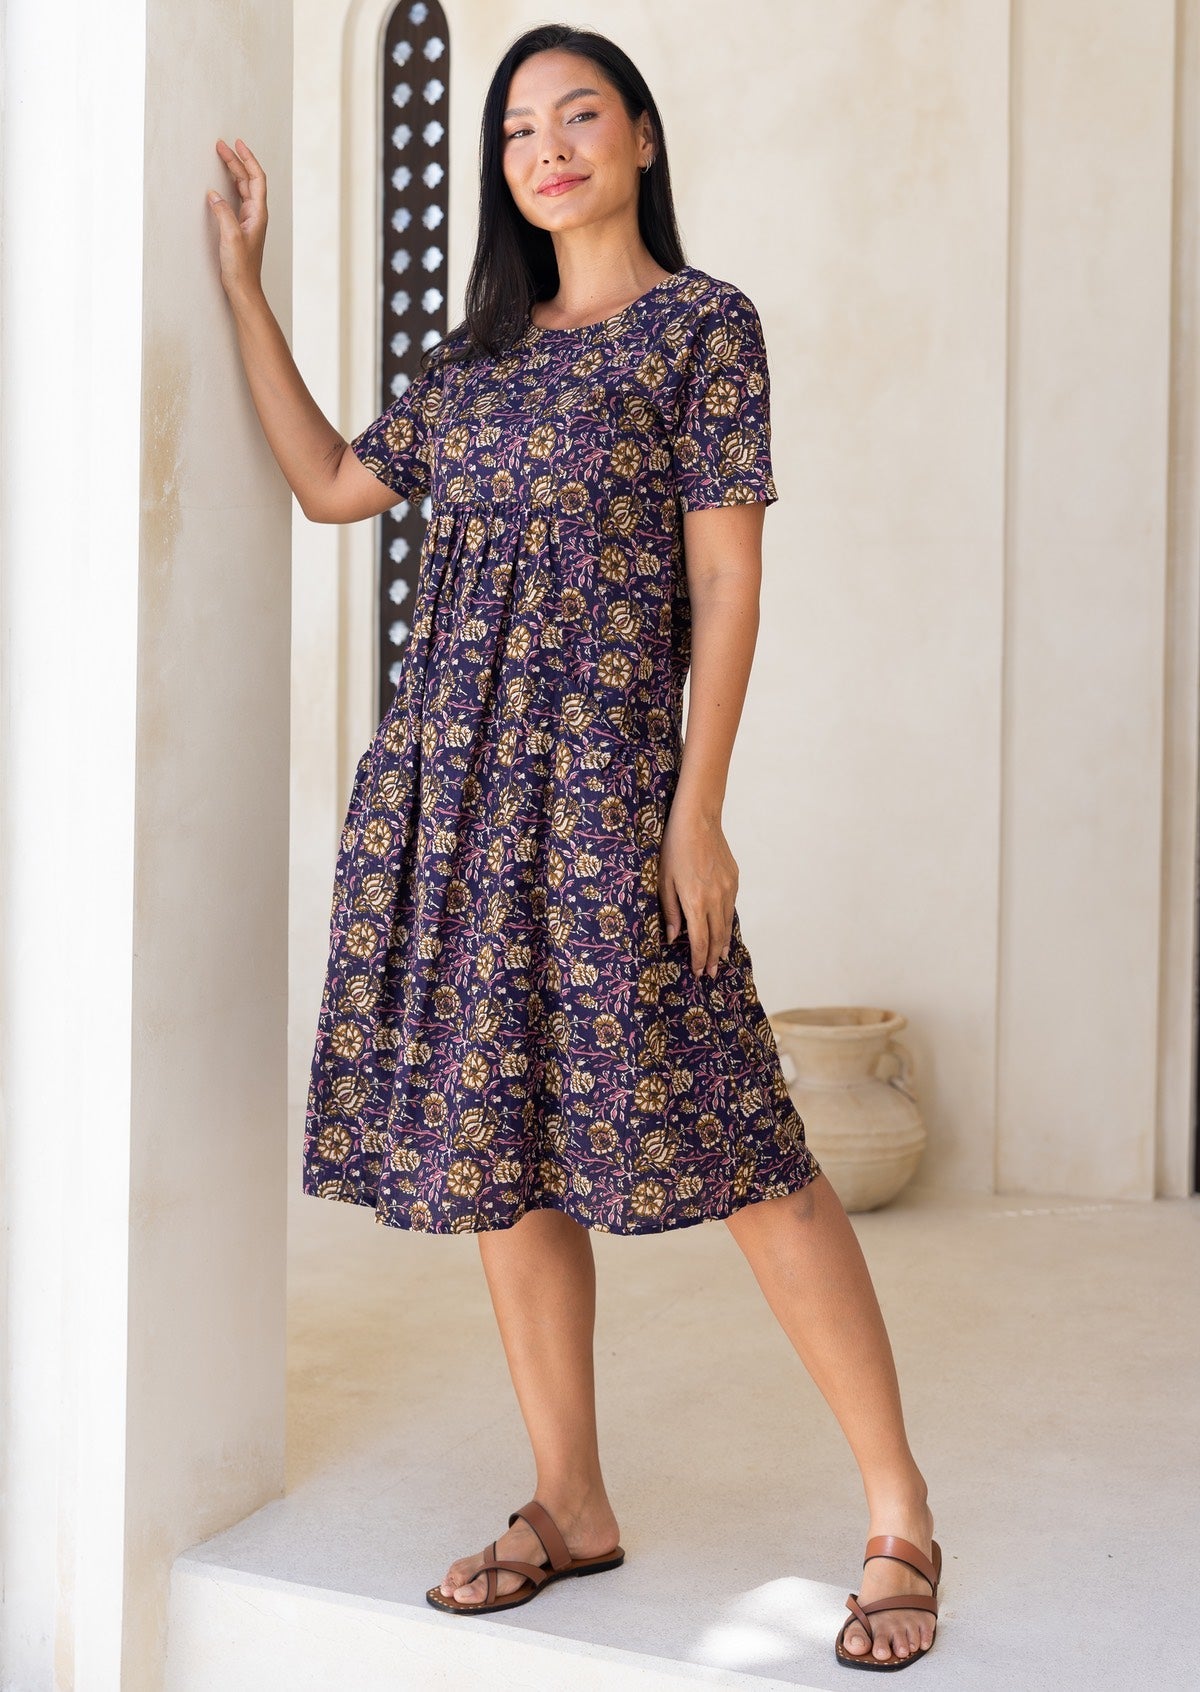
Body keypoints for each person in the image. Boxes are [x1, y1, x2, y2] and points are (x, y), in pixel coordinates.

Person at [207, 21, 940, 1672]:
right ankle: (570, 1499)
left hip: (612, 794)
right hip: (452, 800)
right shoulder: (475, 367)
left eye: (579, 114)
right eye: (520, 126)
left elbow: (732, 583)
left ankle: (898, 1513)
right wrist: (247, 290)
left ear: (641, 140)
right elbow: (329, 482)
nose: (548, 146)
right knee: (499, 1149)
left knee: (749, 1146)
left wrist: (699, 806)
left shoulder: (702, 332)